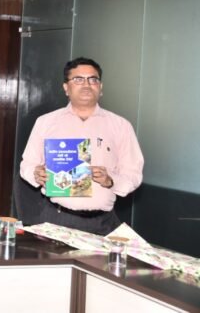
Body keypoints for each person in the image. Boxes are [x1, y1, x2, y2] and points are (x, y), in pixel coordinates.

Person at [19, 57, 144, 236]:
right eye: (78, 79)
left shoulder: (121, 126)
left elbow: (133, 174)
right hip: (56, 219)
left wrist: (111, 180)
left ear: (101, 87)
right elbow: (27, 164)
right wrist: (36, 174)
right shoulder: (46, 122)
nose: (86, 85)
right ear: (66, 87)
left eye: (93, 79)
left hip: (103, 223)